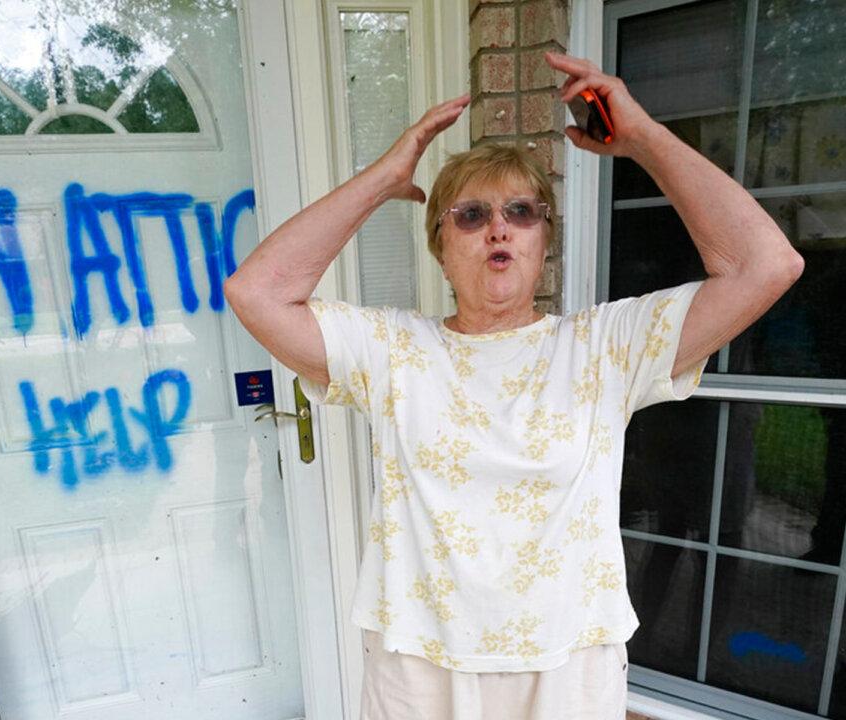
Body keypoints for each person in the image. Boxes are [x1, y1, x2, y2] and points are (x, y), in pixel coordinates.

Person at [224, 52, 804, 720]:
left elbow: (767, 264)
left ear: (543, 242)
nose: (498, 226)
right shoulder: (392, 351)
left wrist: (644, 138)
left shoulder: (603, 348)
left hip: (567, 665)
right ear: (441, 248)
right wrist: (382, 179)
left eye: (521, 211)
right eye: (470, 215)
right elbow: (256, 291)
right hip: (420, 665)